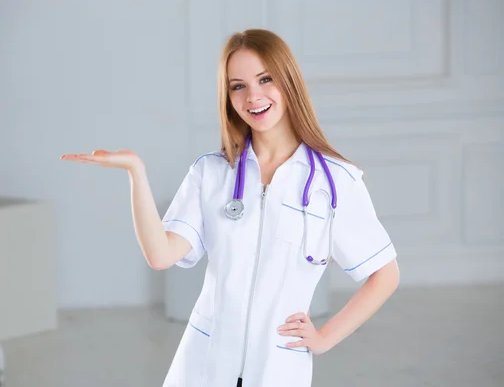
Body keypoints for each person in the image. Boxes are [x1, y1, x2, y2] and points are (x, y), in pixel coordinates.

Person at [61, 28, 400, 387]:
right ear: (228, 97)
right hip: (204, 362)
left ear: (289, 81)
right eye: (238, 86)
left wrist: (325, 338)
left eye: (265, 79)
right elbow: (161, 255)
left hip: (277, 366)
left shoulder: (335, 183)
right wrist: (136, 173)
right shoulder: (212, 173)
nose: (253, 96)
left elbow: (385, 275)